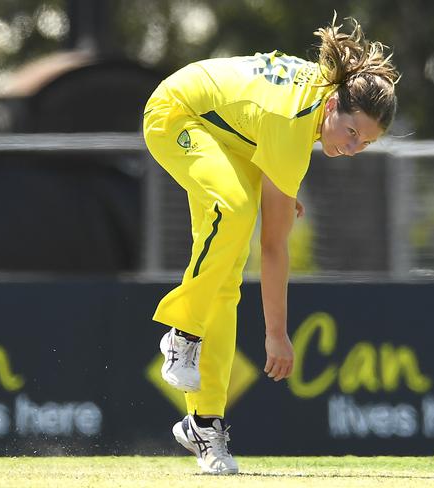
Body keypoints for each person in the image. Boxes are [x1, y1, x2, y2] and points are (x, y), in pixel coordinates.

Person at [142, 14, 400, 475]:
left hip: (229, 137)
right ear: (333, 105)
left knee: (225, 276)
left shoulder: (315, 109)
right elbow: (276, 248)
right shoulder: (293, 122)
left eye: (367, 142)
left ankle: (204, 424)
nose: (355, 146)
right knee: (235, 210)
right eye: (352, 131)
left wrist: (281, 189)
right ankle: (182, 331)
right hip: (176, 114)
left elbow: (258, 126)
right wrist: (276, 333)